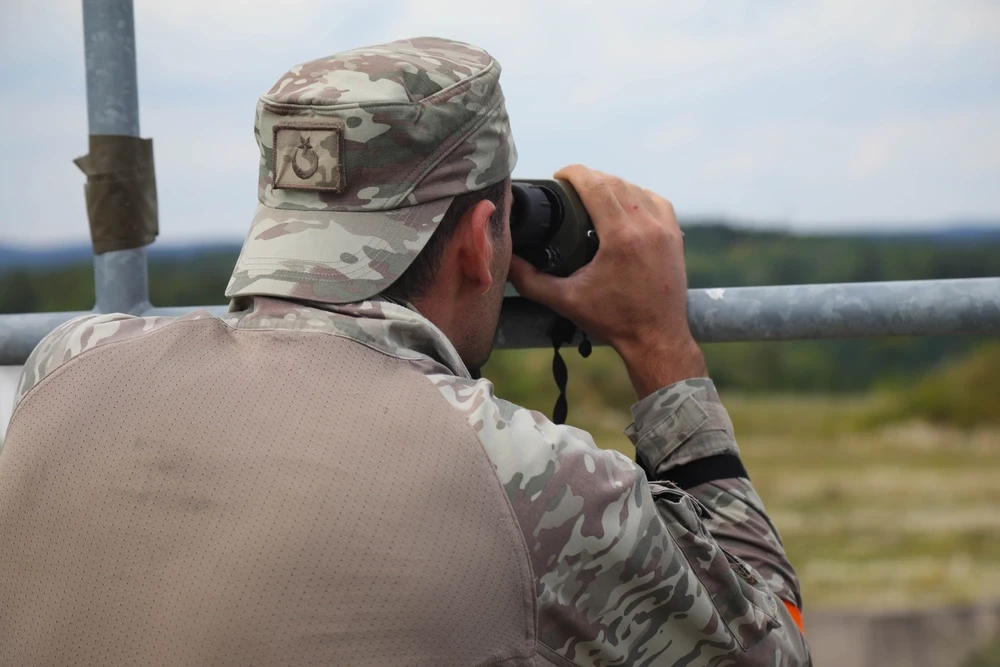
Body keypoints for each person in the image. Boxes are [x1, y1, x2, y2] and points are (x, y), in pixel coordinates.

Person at [0, 37, 811, 666]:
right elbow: (772, 646)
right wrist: (661, 346)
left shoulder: (68, 368)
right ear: (487, 237)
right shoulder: (526, 478)